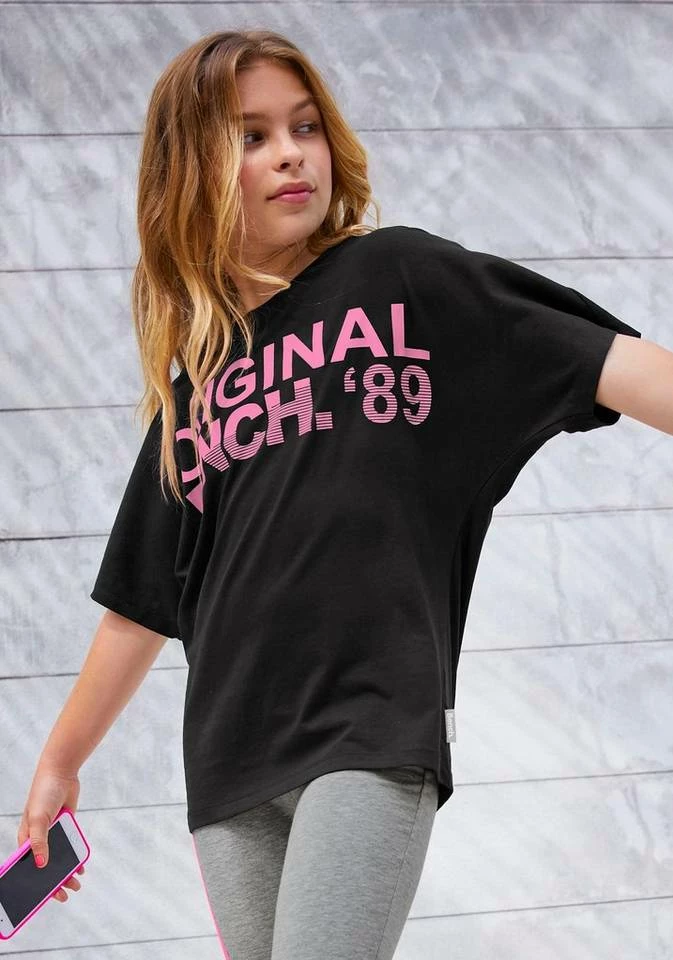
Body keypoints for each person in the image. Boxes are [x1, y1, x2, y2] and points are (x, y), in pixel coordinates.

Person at [17, 27, 673, 960]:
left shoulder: (401, 277)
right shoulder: (196, 384)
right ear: (189, 174)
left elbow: (616, 366)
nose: (291, 153)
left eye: (305, 126)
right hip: (229, 760)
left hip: (369, 724)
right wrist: (59, 762)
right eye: (250, 136)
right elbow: (138, 601)